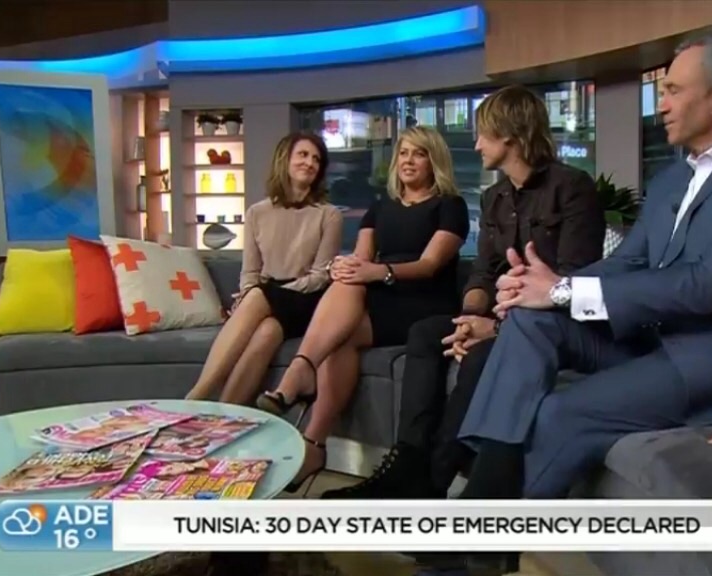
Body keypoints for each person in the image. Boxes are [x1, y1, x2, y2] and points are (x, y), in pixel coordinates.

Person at [456, 28, 712, 535]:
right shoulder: (673, 178)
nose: (662, 105)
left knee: (562, 412)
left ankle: (482, 538)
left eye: (673, 90)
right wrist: (541, 287)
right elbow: (628, 263)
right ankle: (482, 498)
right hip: (653, 339)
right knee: (528, 320)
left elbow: (710, 284)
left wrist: (563, 291)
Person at [321, 85, 606, 501]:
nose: (476, 145)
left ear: (509, 135)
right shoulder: (494, 197)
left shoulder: (573, 187)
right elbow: (483, 274)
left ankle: (432, 481)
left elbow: (572, 283)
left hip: (545, 325)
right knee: (425, 333)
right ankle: (407, 462)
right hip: (497, 314)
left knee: (479, 356)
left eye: (483, 134)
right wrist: (471, 316)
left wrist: (496, 326)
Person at [256, 125, 470, 493]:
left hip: (424, 301)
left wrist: (379, 272)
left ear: (434, 160)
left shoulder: (450, 206)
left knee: (347, 307)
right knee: (342, 316)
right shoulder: (380, 207)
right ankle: (314, 442)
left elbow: (430, 265)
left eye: (419, 154)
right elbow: (361, 257)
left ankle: (301, 381)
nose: (408, 161)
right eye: (403, 153)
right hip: (382, 295)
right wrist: (345, 266)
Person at [185, 132, 343, 406]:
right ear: (285, 159)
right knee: (267, 332)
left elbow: (320, 276)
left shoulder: (329, 215)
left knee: (259, 295)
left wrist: (266, 294)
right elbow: (250, 273)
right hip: (268, 295)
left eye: (316, 159)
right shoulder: (257, 213)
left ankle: (194, 399)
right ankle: (223, 415)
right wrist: (250, 295)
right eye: (303, 155)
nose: (310, 163)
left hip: (306, 298)